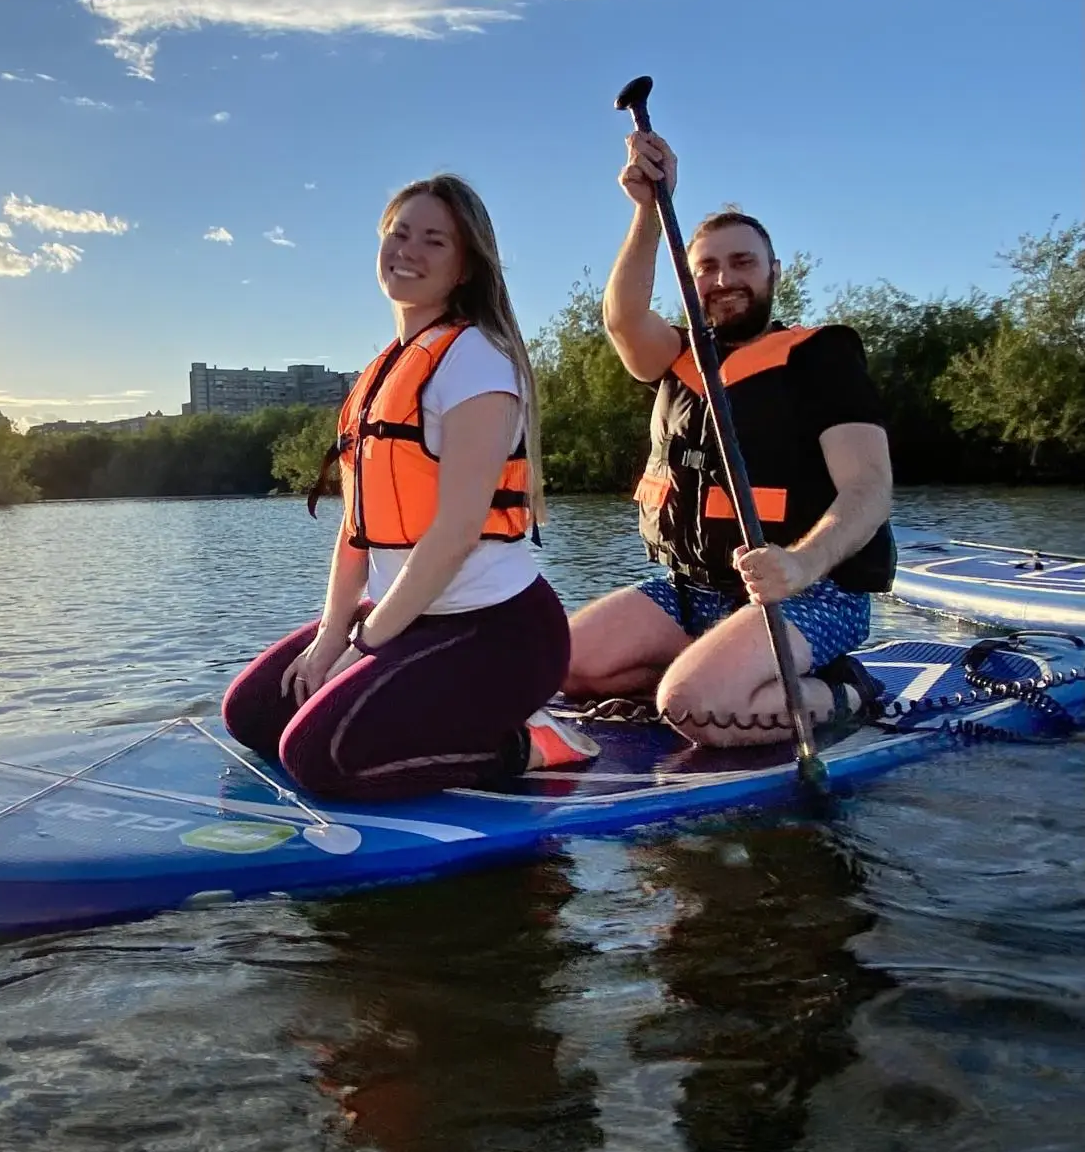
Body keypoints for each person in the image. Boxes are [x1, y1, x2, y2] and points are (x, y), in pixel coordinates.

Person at [222, 175, 579, 801]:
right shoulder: (382, 372)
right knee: (253, 714)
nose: (408, 250)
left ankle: (528, 741)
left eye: (434, 241)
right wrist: (333, 635)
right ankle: (409, 704)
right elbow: (356, 530)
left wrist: (364, 648)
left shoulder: (476, 361)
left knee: (317, 757)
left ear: (465, 267)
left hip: (497, 634)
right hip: (411, 621)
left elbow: (456, 532)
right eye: (399, 233)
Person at [564, 128, 895, 747]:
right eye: (707, 267)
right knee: (566, 665)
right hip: (695, 591)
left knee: (693, 708)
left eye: (742, 262)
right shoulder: (679, 358)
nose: (723, 279)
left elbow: (869, 489)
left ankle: (848, 690)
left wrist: (802, 562)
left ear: (774, 270)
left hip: (808, 594)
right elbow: (623, 318)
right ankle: (714, 665)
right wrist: (645, 209)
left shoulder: (821, 357)